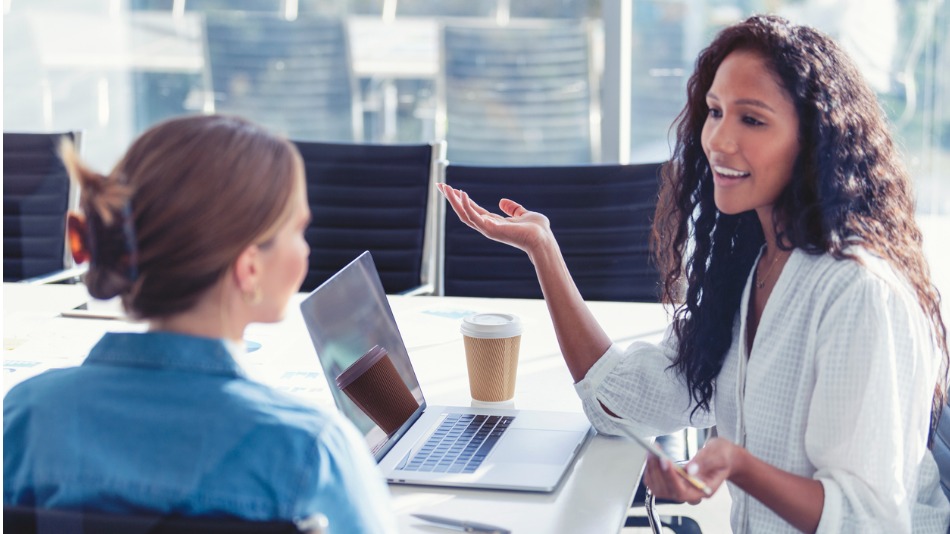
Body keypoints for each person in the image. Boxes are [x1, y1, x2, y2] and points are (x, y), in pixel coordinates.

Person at [438, 14, 949, 533]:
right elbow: (622, 404)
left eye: (752, 119)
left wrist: (736, 464)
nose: (719, 140)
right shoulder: (755, 264)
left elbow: (869, 522)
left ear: (813, 140)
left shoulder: (857, 293)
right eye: (715, 111)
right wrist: (543, 251)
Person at [3, 115, 397, 534]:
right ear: (249, 268)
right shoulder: (313, 451)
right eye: (298, 230)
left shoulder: (27, 416)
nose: (305, 249)